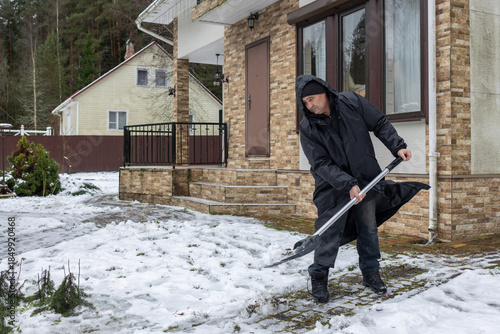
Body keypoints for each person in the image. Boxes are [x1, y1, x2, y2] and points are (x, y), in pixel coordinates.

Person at [296, 75, 429, 303]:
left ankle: (371, 273)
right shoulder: (308, 126)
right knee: (328, 230)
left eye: (312, 99)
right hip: (332, 185)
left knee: (367, 228)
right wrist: (347, 184)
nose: (310, 105)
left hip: (366, 179)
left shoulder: (352, 102)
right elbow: (319, 163)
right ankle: (319, 276)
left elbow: (378, 122)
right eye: (305, 102)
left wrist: (397, 146)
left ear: (324, 92)